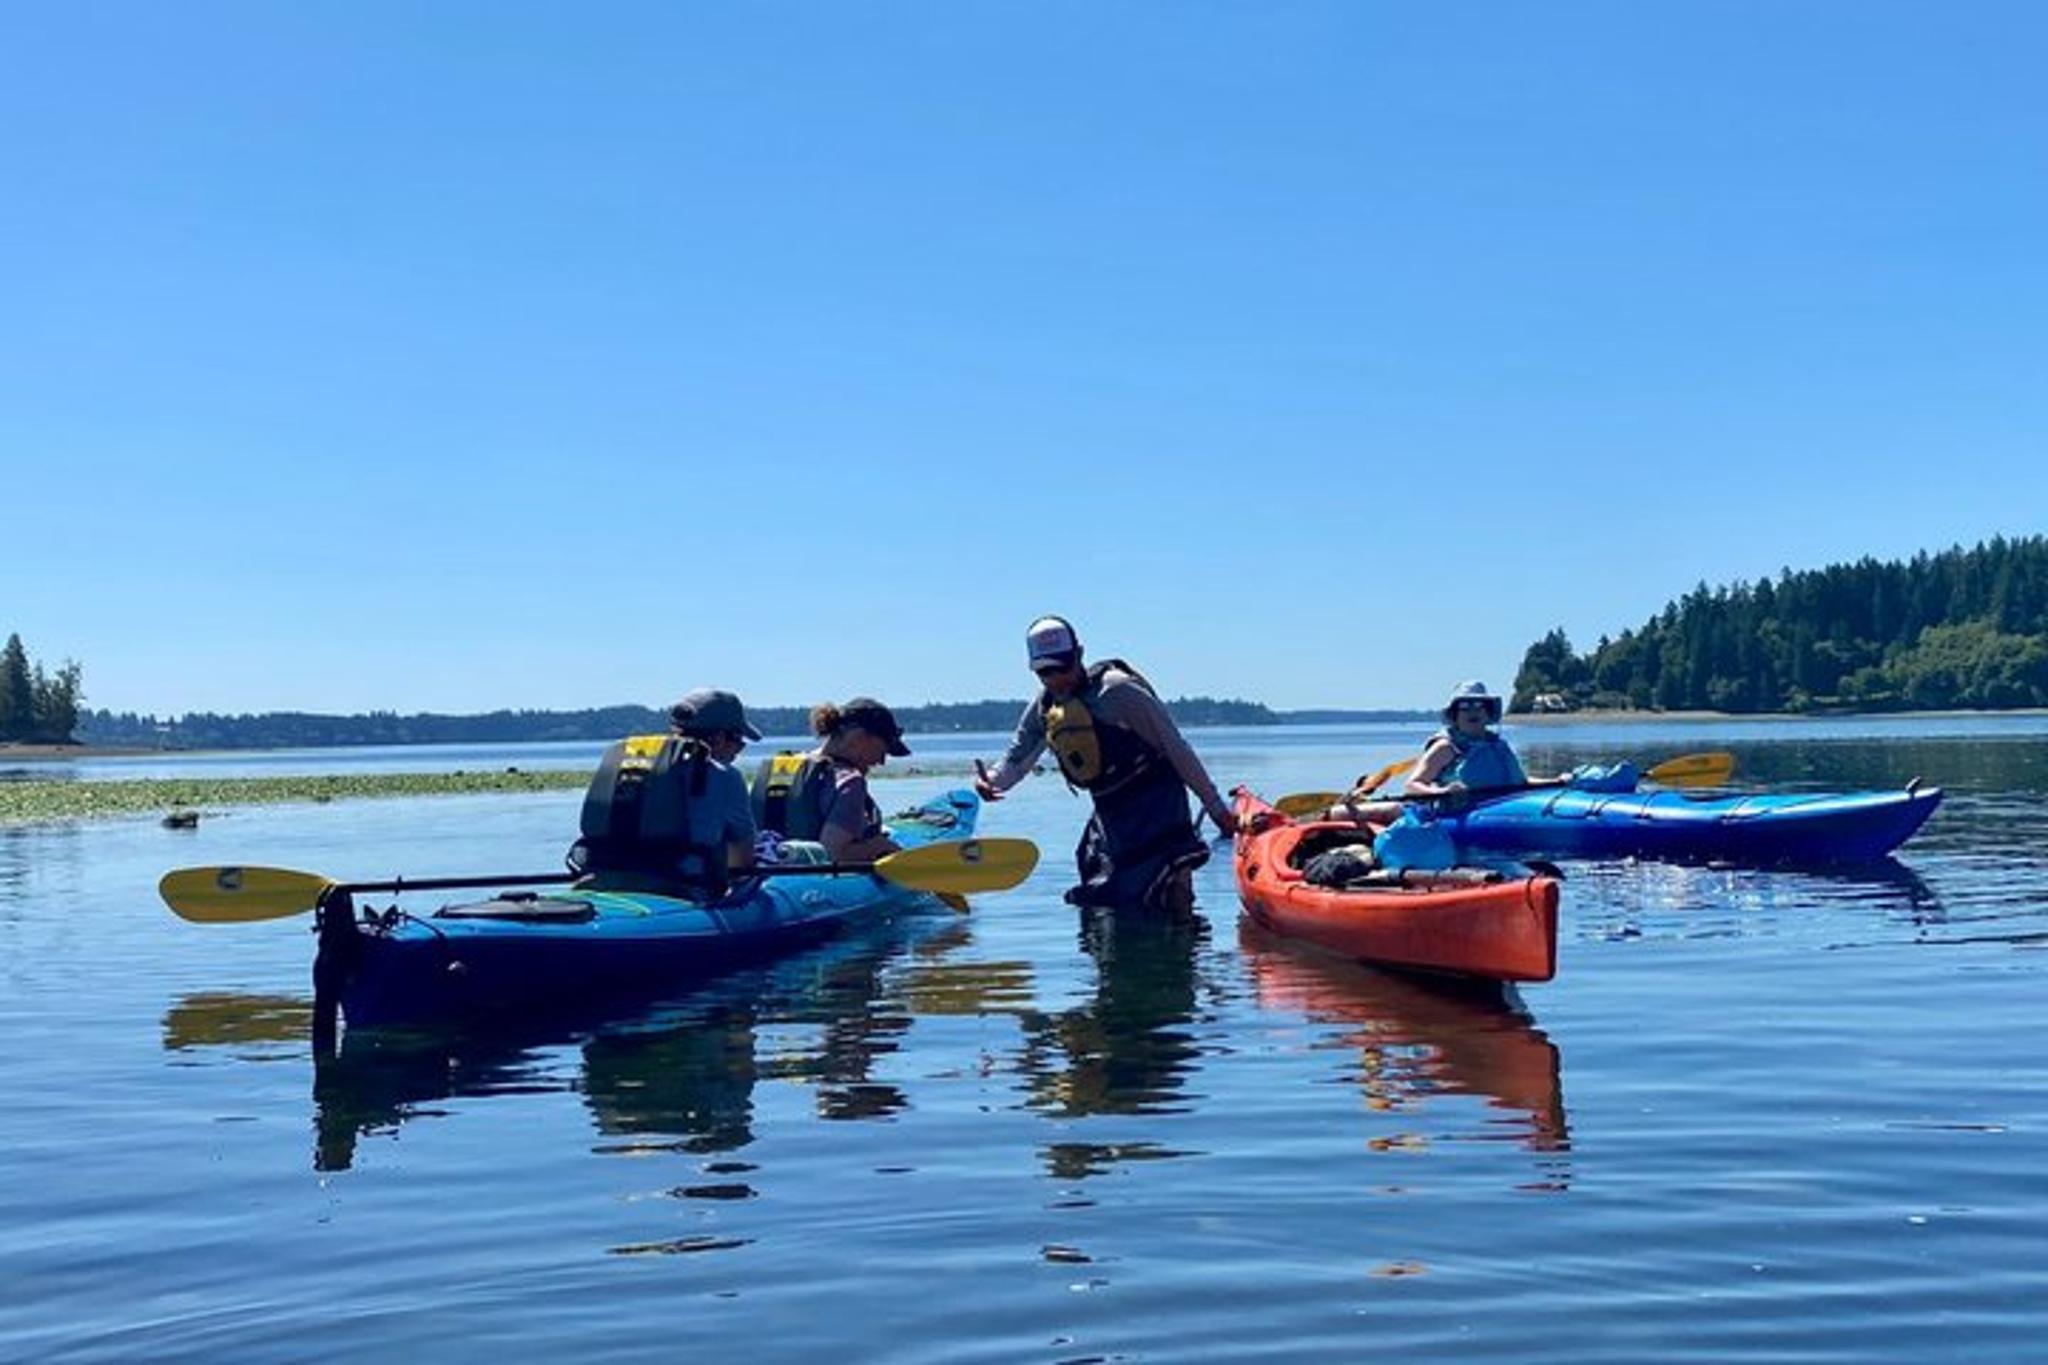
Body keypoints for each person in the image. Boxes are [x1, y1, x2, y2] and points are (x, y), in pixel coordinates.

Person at [974, 615, 1236, 913]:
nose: (1057, 678)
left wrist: (1216, 809)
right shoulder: (1045, 707)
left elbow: (1176, 749)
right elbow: (1017, 758)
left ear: (1079, 655)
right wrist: (991, 781)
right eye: (1046, 672)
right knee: (1106, 898)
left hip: (1159, 809)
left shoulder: (1117, 691)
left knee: (1168, 897)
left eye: (1064, 666)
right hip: (1110, 814)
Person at [568, 687, 760, 895]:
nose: (737, 753)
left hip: (598, 879)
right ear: (719, 739)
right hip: (679, 892)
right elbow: (741, 863)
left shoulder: (622, 764)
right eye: (738, 743)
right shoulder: (726, 777)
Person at [751, 697, 910, 862]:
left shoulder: (784, 766)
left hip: (763, 871)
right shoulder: (850, 782)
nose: (881, 761)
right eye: (882, 750)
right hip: (815, 881)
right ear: (860, 737)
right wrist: (879, 846)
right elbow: (833, 853)